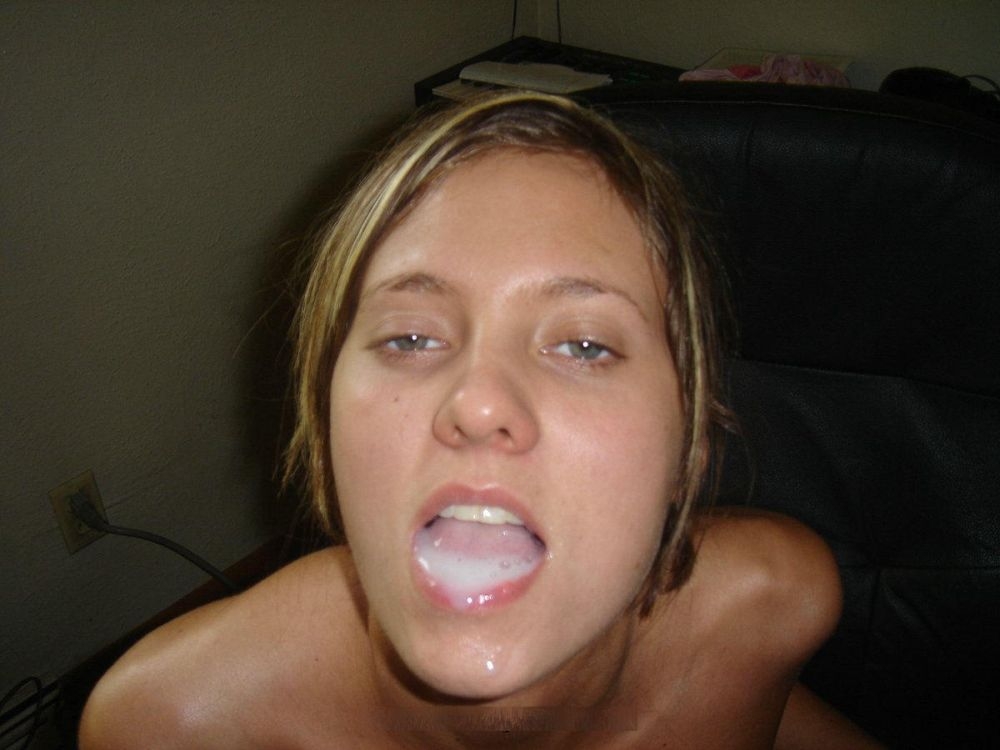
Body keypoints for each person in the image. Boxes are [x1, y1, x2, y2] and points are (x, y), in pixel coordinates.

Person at [80, 91, 882, 749]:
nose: (480, 403)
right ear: (327, 427)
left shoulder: (773, 605)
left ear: (690, 447)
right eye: (410, 338)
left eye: (585, 345)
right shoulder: (170, 726)